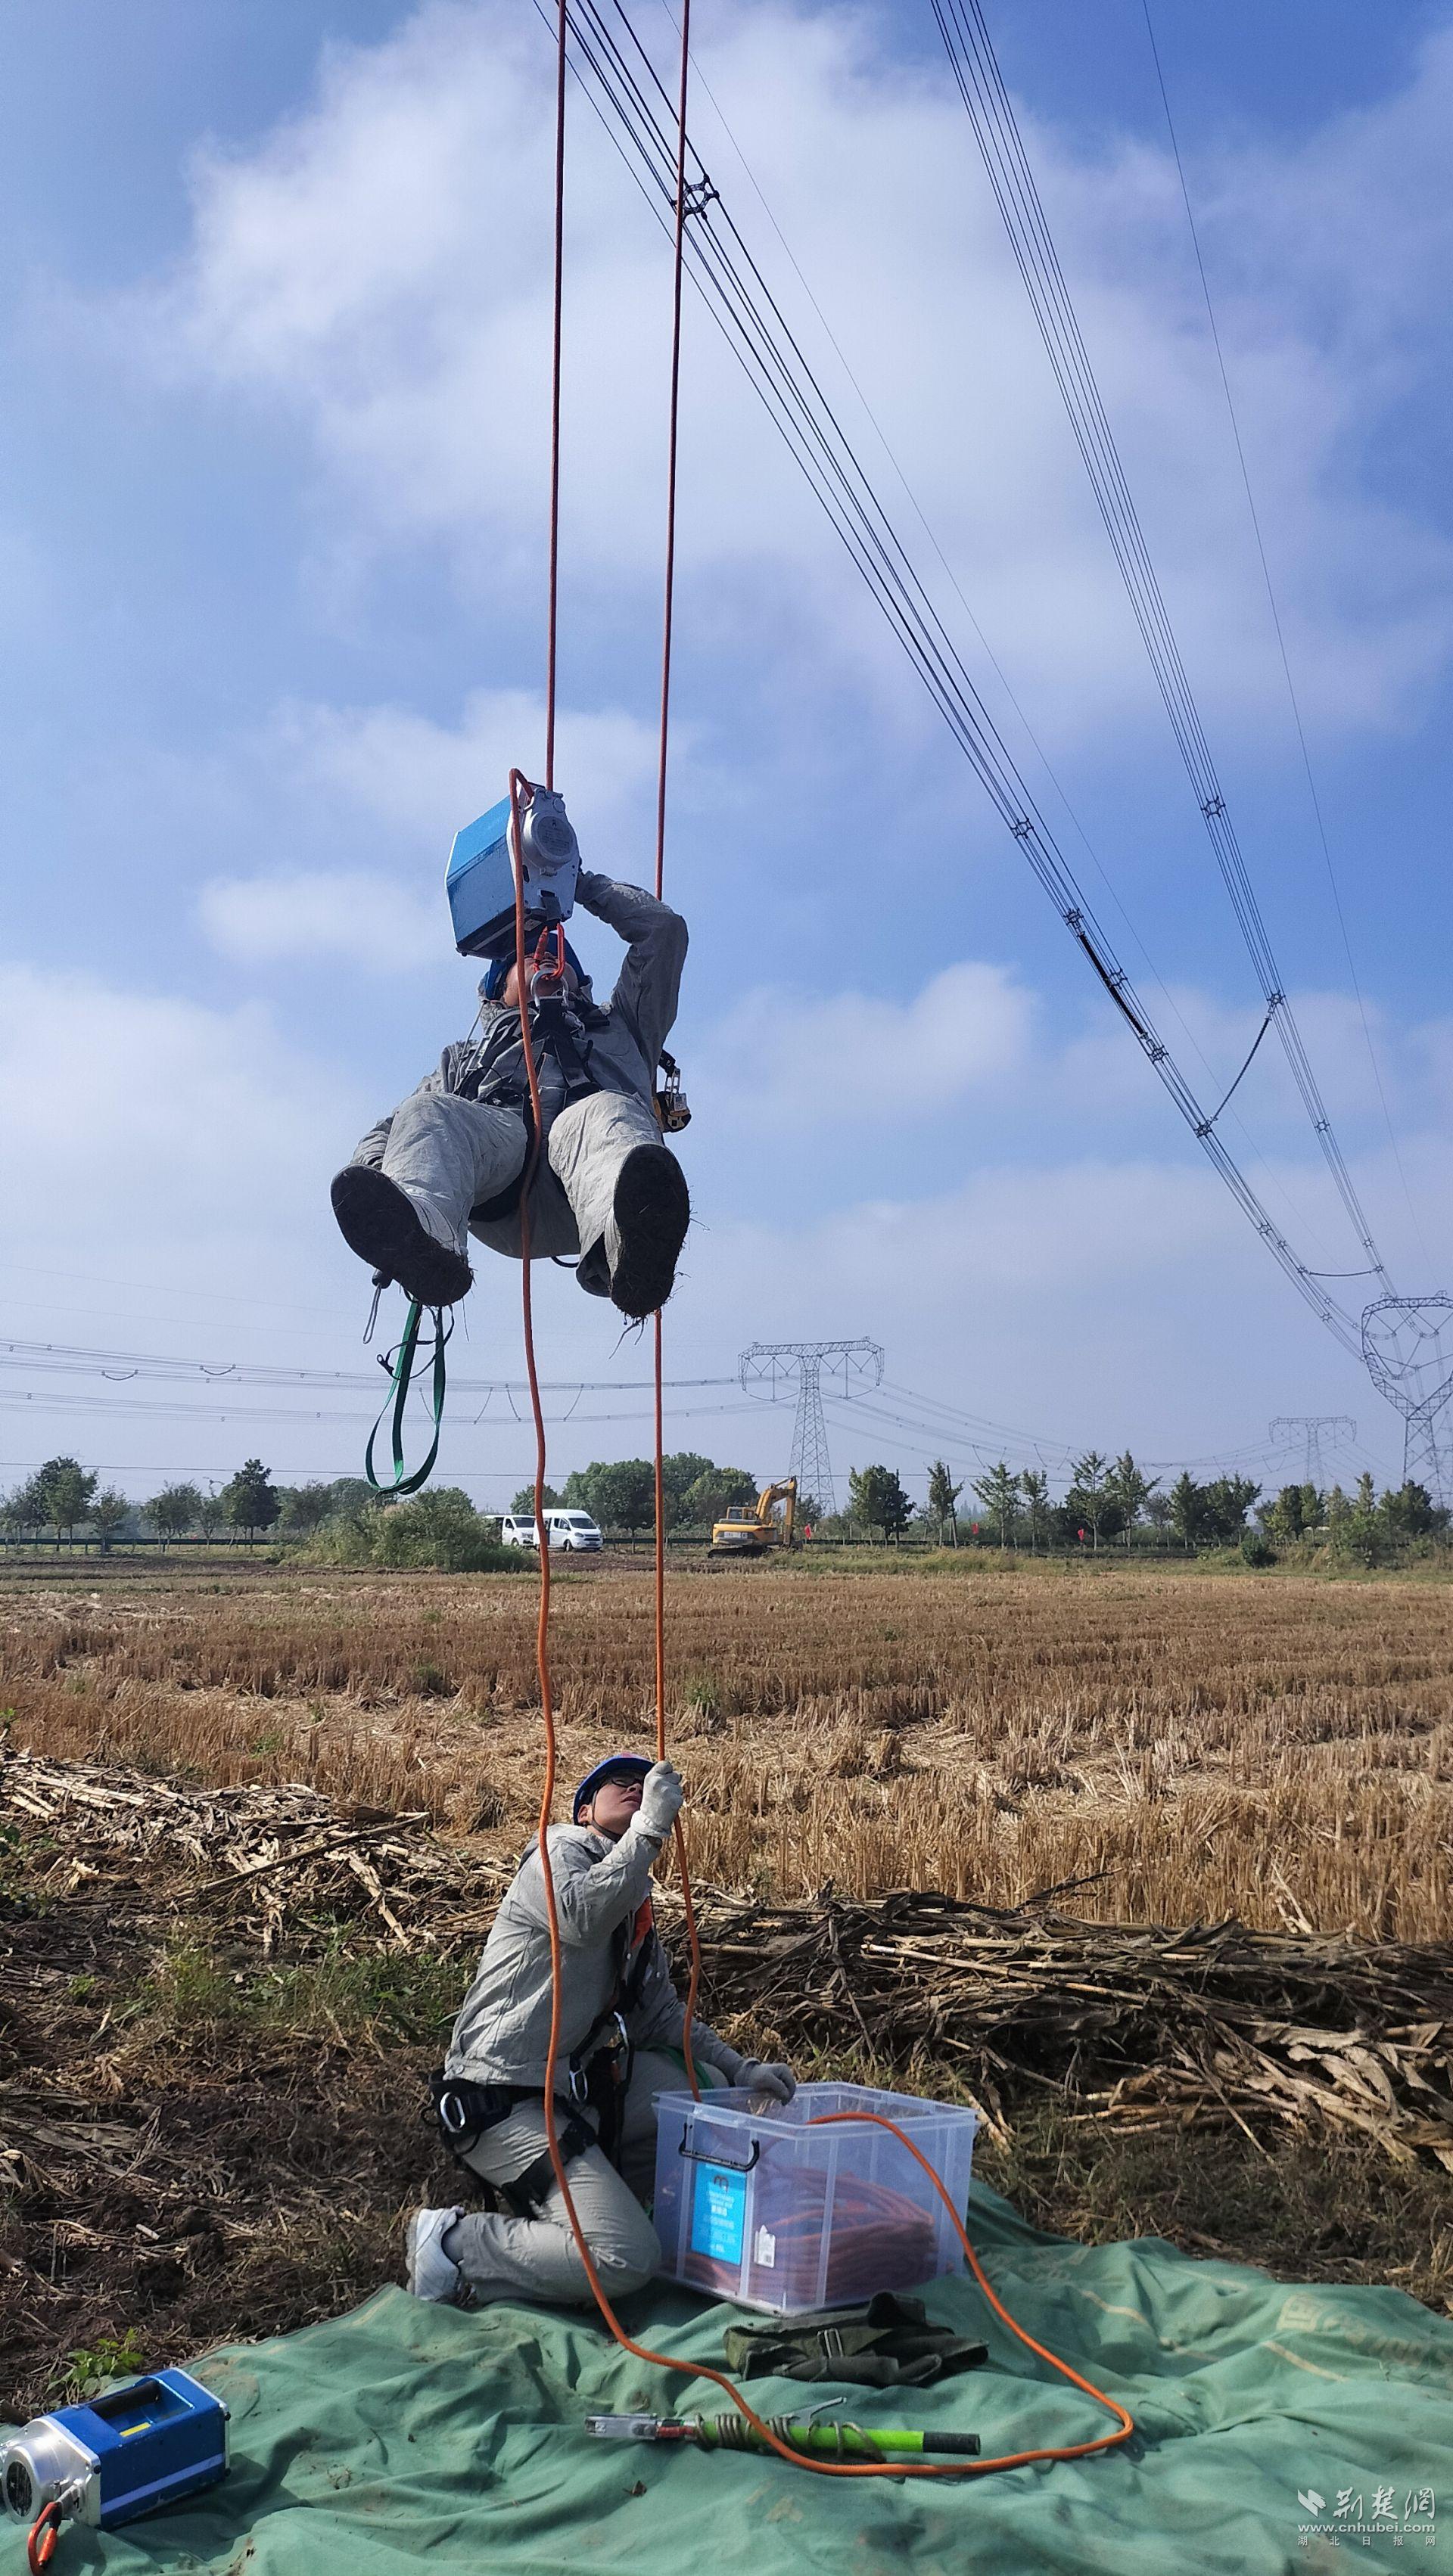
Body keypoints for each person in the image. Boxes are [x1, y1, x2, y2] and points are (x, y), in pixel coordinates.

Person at [407, 1753, 795, 2308]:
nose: (637, 1789)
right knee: (626, 2259)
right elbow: (580, 1915)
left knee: (699, 2084)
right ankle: (453, 2243)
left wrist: (741, 2069)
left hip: (567, 2095)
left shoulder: (633, 1895)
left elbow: (658, 2012)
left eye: (646, 1785)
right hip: (501, 2094)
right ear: (585, 1808)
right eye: (621, 1783)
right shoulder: (557, 1849)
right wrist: (650, 1829)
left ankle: (614, 2199)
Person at [330, 871, 690, 1319]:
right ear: (499, 990)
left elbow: (662, 931)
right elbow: (392, 1131)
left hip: (587, 1182)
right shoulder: (464, 1060)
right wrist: (380, 1198)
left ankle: (632, 1252)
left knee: (607, 1112)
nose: (548, 965)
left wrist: (572, 883)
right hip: (500, 1180)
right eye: (533, 959)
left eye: (558, 959)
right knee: (427, 1112)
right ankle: (426, 1238)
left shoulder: (626, 1025)